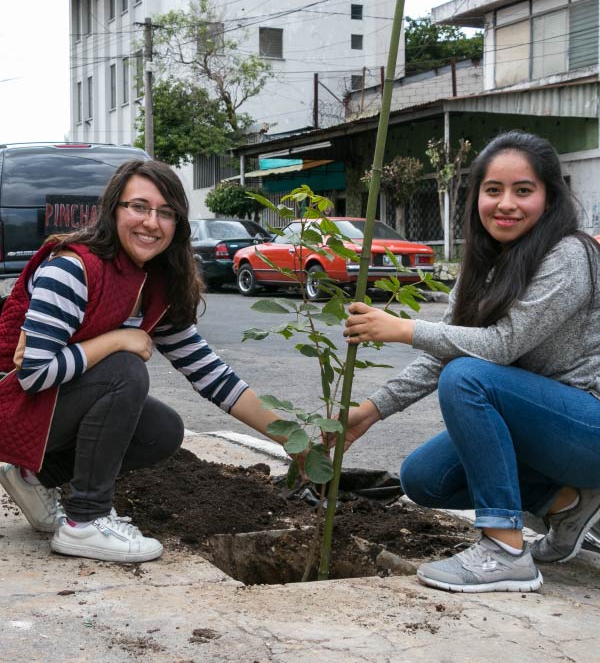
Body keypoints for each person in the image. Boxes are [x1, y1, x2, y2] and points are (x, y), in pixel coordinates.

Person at [342, 130, 600, 593]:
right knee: (424, 478)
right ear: (476, 195)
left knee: (468, 379)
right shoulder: (485, 266)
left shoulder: (570, 255)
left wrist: (403, 329)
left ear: (549, 196)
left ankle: (504, 549)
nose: (506, 203)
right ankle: (567, 504)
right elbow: (453, 348)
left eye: (524, 190)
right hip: (549, 430)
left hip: (589, 426)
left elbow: (498, 347)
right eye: (493, 190)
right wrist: (371, 410)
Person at [0, 160, 284, 564]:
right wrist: (118, 339)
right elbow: (33, 375)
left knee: (162, 430)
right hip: (10, 402)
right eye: (139, 206)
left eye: (165, 212)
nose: (152, 222)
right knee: (124, 370)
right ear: (113, 209)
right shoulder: (72, 267)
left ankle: (34, 476)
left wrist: (295, 442)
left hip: (40, 412)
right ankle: (85, 521)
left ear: (178, 225)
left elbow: (211, 375)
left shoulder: (154, 286)